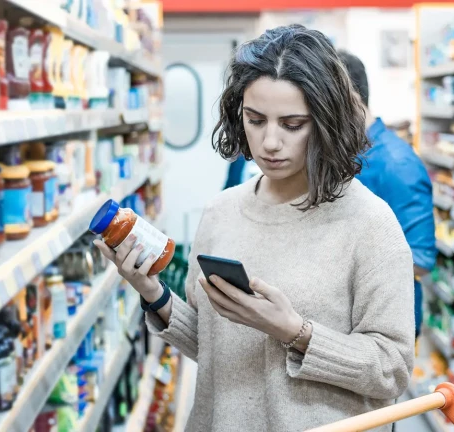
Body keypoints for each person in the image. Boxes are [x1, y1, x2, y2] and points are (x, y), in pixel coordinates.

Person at [94, 25, 414, 432]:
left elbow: (393, 369)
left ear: (326, 121)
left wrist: (295, 332)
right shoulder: (221, 212)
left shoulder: (370, 223)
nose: (270, 142)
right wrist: (153, 293)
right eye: (255, 120)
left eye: (293, 124)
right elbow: (215, 348)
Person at [338, 50, 437, 338]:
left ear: (350, 98)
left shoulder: (397, 164)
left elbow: (421, 261)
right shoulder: (345, 152)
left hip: (387, 327)